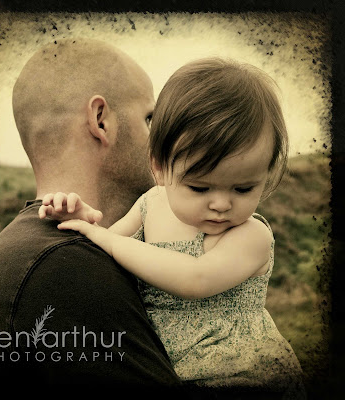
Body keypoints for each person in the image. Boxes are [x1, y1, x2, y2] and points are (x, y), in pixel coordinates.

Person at [39, 58, 307, 399]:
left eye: (243, 188)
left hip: (244, 375)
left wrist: (107, 239)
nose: (221, 204)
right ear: (160, 167)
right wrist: (84, 219)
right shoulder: (151, 204)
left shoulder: (251, 236)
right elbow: (102, 255)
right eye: (199, 187)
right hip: (165, 369)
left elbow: (195, 279)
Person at [0, 38, 187, 395]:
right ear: (101, 121)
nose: (162, 141)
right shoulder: (66, 268)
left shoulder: (30, 250)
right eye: (149, 118)